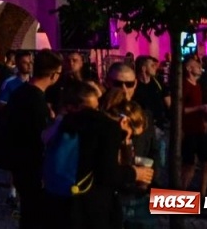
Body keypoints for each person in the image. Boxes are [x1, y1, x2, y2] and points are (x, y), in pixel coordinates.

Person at [41, 80, 149, 229]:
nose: (129, 138)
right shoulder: (108, 128)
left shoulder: (69, 120)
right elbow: (107, 173)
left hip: (60, 200)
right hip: (90, 208)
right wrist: (135, 173)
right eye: (131, 135)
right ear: (124, 121)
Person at [0, 49, 60, 229]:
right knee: (34, 215)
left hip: (22, 164)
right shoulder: (33, 98)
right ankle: (150, 211)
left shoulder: (24, 93)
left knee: (30, 213)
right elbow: (39, 136)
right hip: (31, 166)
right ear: (54, 75)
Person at [177, 55, 207, 195]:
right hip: (189, 129)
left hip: (200, 128)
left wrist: (206, 115)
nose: (200, 68)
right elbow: (180, 110)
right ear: (189, 69)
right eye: (197, 66)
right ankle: (182, 193)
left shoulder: (200, 86)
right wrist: (200, 108)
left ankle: (202, 193)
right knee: (189, 165)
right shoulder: (184, 85)